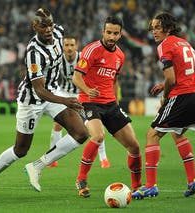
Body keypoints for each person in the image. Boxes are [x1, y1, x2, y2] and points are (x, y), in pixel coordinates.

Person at [0, 8, 89, 201]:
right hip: (32, 100)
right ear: (35, 27)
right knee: (20, 150)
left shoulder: (58, 33)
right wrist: (66, 100)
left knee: (81, 133)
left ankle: (37, 166)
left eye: (50, 25)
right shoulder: (33, 53)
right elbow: (39, 90)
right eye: (43, 26)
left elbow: (58, 30)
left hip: (53, 92)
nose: (49, 29)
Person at [132, 12, 195, 199]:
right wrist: (164, 86)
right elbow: (179, 73)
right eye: (152, 28)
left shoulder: (165, 45)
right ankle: (193, 180)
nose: (154, 32)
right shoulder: (184, 43)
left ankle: (150, 185)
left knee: (152, 134)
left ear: (167, 27)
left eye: (157, 27)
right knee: (177, 132)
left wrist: (166, 97)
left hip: (184, 94)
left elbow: (171, 79)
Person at [72, 15, 142, 198]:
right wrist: (88, 90)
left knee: (134, 146)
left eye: (115, 33)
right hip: (89, 100)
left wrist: (116, 102)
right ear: (103, 31)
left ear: (120, 35)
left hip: (110, 103)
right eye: (109, 32)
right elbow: (76, 77)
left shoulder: (120, 55)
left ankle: (137, 187)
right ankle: (81, 178)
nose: (111, 36)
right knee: (98, 135)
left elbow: (115, 79)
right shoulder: (91, 50)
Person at [49, 35, 110, 168]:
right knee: (57, 124)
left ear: (76, 46)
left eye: (72, 45)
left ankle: (103, 158)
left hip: (81, 93)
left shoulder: (83, 57)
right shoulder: (58, 59)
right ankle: (52, 158)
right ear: (62, 46)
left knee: (94, 126)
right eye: (66, 45)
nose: (69, 48)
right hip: (63, 93)